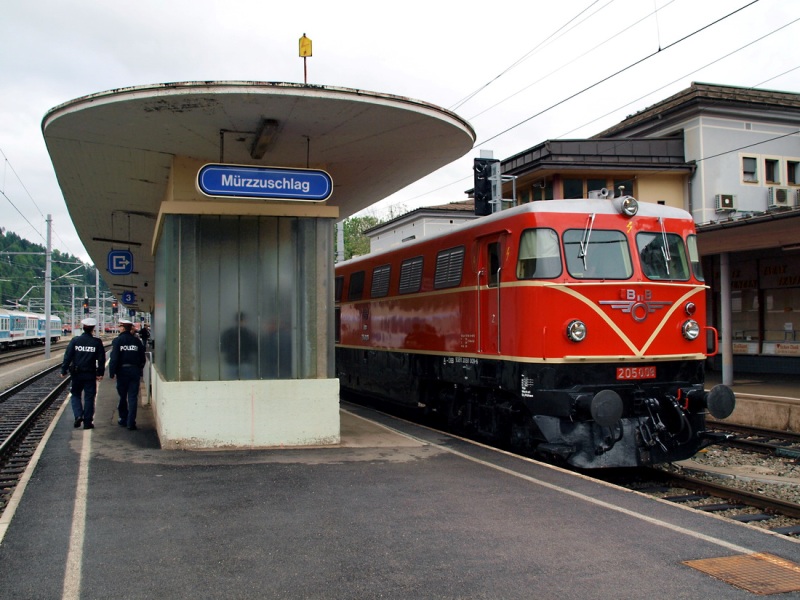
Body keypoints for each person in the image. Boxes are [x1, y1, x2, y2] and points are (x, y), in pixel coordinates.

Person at [60, 317, 105, 430]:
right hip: (90, 374)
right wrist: (100, 373)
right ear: (93, 328)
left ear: (83, 327)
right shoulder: (96, 342)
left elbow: (68, 356)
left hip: (76, 374)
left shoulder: (75, 341)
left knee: (75, 394)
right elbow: (101, 359)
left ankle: (78, 415)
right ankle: (88, 422)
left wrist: (63, 370)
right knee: (89, 397)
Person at [109, 317, 146, 430]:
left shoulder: (117, 341)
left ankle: (123, 418)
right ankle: (131, 422)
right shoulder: (137, 341)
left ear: (123, 328)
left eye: (120, 326)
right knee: (133, 397)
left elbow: (114, 358)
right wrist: (139, 370)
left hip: (122, 372)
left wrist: (112, 373)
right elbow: (142, 358)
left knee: (122, 396)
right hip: (134, 371)